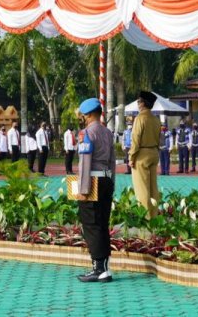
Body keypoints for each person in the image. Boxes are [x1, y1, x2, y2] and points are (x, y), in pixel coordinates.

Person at [75, 98, 115, 283]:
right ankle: (104, 267)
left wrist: (83, 188)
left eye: (83, 115)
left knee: (91, 224)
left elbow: (85, 163)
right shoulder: (108, 132)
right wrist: (112, 182)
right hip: (106, 179)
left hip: (92, 181)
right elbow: (112, 161)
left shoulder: (86, 133)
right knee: (102, 223)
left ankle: (98, 268)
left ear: (89, 114)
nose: (82, 118)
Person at [128, 91, 161, 219]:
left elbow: (135, 140)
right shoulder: (156, 119)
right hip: (153, 152)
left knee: (142, 190)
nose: (138, 104)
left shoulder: (140, 118)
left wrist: (131, 157)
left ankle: (145, 219)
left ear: (143, 103)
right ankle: (154, 217)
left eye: (138, 101)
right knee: (153, 188)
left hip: (141, 154)